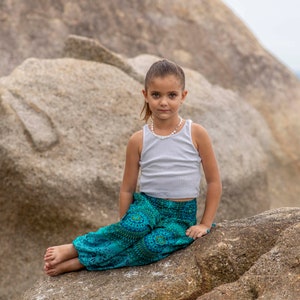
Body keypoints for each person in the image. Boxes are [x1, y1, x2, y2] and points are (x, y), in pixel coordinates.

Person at [44, 59, 222, 276]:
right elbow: (127, 188)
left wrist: (205, 224)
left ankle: (81, 261)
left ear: (183, 96)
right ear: (145, 95)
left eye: (171, 95)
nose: (164, 102)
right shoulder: (138, 140)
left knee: (152, 246)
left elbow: (214, 181)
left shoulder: (196, 133)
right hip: (147, 205)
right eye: (156, 95)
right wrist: (124, 226)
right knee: (134, 229)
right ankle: (74, 247)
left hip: (180, 215)